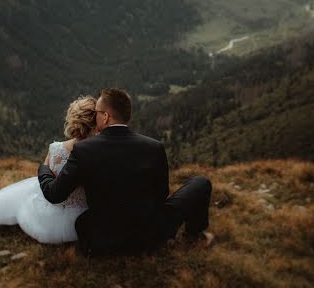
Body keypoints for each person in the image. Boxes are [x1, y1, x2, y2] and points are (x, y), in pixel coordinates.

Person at [38, 87, 213, 256]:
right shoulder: (154, 147)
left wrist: (44, 168)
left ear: (105, 117)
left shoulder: (83, 150)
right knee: (201, 183)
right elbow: (162, 195)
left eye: (97, 112)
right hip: (150, 238)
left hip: (101, 242)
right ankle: (193, 235)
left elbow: (54, 194)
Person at [0, 96, 97, 243]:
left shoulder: (55, 149)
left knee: (27, 189)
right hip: (79, 222)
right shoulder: (97, 153)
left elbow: (45, 175)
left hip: (47, 222)